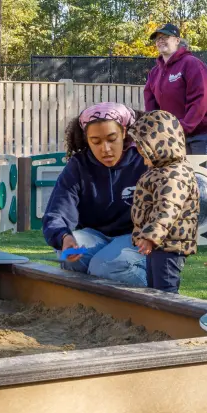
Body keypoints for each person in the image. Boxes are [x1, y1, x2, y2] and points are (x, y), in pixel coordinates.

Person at [41, 102, 149, 287]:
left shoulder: (144, 160)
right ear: (86, 140)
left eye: (111, 138)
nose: (105, 149)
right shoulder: (78, 166)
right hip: (96, 237)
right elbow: (56, 213)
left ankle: (153, 294)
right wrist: (65, 238)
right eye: (96, 142)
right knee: (67, 256)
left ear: (124, 133)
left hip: (137, 238)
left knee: (106, 266)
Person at [128, 110, 200, 293]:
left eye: (146, 155)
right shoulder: (161, 171)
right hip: (161, 243)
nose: (144, 160)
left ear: (160, 148)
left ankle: (171, 320)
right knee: (153, 288)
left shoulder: (173, 175)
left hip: (169, 244)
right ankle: (156, 319)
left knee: (165, 289)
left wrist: (151, 237)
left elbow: (168, 209)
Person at [144, 23, 207, 156]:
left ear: (177, 40)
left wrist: (183, 128)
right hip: (177, 132)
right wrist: (155, 129)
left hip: (205, 131)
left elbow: (200, 99)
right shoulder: (154, 73)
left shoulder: (191, 63)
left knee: (203, 175)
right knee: (182, 174)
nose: (160, 40)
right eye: (158, 38)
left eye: (165, 36)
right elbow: (151, 105)